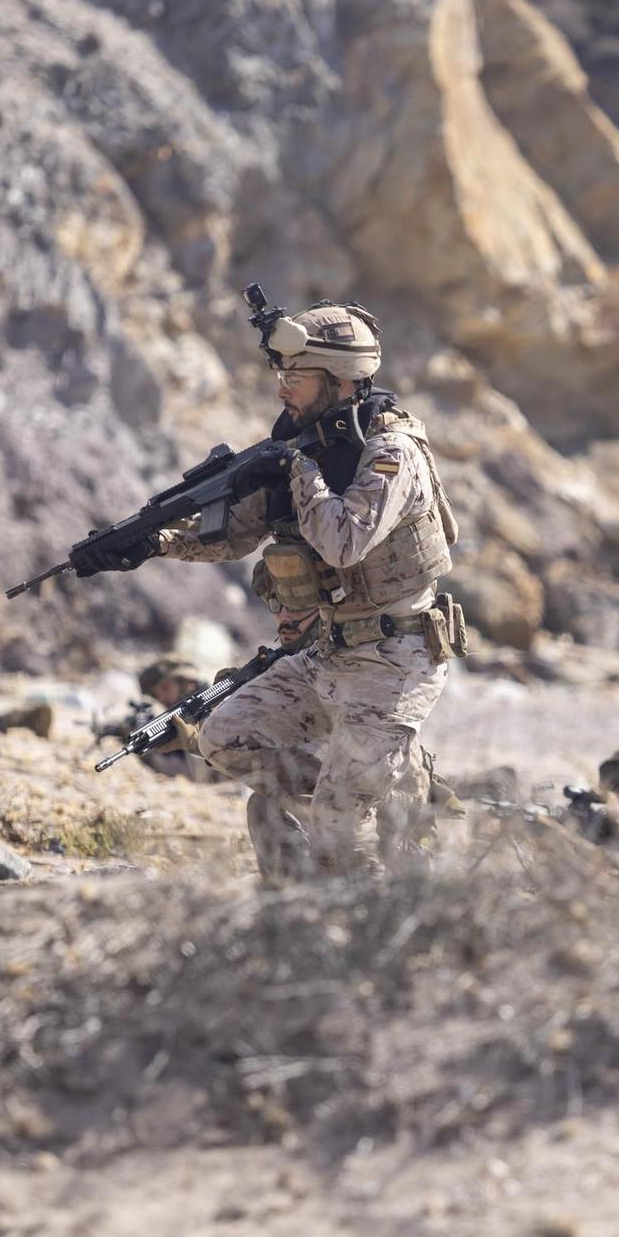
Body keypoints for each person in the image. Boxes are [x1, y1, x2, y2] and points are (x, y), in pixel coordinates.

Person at [111, 302, 467, 878]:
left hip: (392, 662)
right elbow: (235, 533)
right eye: (281, 377)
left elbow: (342, 543)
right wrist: (155, 544)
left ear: (341, 381)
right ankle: (380, 794)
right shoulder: (313, 447)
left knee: (336, 833)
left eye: (295, 379)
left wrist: (299, 469)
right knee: (224, 736)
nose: (282, 392)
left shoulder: (391, 453)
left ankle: (366, 843)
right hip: (326, 652)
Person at [125, 657, 227, 784]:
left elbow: (194, 773)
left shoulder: (214, 711)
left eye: (165, 687)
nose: (161, 698)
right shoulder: (158, 711)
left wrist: (149, 755)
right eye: (155, 696)